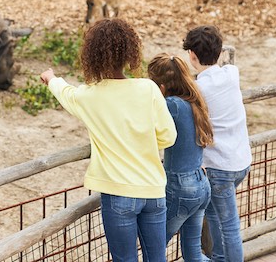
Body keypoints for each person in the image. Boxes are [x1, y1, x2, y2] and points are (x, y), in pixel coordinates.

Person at [40, 18, 177, 262]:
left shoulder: (89, 96)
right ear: (129, 53)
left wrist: (51, 78)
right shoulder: (148, 88)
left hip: (118, 194)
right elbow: (168, 136)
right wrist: (140, 140)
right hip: (153, 190)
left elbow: (66, 93)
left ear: (92, 55)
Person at [183, 25, 252, 262]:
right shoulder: (232, 73)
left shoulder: (198, 90)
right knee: (215, 216)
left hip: (219, 168)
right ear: (221, 52)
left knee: (229, 226)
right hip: (241, 160)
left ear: (192, 55)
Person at [147, 53, 213, 262]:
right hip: (201, 184)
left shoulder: (172, 105)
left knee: (154, 250)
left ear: (162, 87)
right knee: (193, 255)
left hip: (180, 188)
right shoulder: (193, 100)